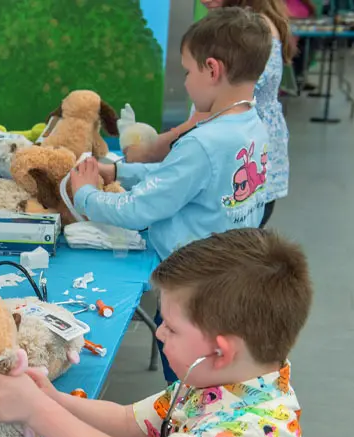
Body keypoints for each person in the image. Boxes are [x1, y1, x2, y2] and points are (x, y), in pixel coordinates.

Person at [0, 228, 312, 437]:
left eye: (171, 327)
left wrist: (36, 411)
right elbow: (128, 421)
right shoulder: (221, 382)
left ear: (220, 351)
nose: (159, 332)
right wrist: (53, 399)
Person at [70, 7, 273, 382]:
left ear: (212, 69)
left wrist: (84, 195)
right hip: (229, 279)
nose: (185, 82)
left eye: (187, 71)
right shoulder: (251, 125)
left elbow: (138, 210)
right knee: (213, 384)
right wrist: (118, 171)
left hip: (192, 292)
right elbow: (177, 178)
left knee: (186, 390)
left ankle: (182, 436)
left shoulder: (204, 141)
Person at [128, 0, 293, 229]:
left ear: (213, 69)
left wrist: (149, 152)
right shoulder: (253, 26)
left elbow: (207, 118)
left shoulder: (243, 35)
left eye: (190, 71)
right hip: (252, 172)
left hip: (236, 175)